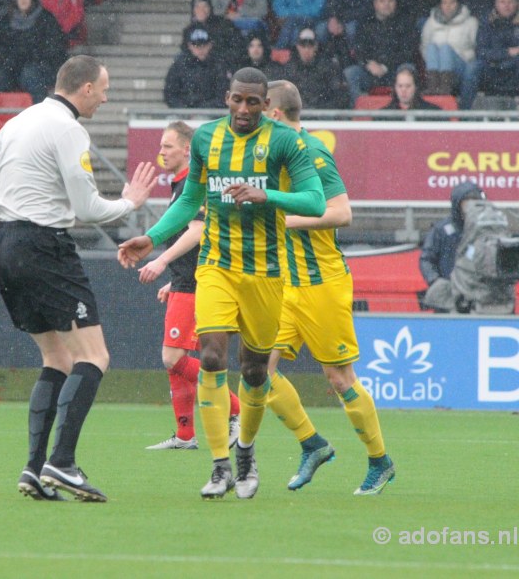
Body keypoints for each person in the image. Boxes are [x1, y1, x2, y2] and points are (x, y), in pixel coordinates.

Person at [118, 67, 326, 500]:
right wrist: (152, 238)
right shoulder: (207, 139)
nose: (244, 109)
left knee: (254, 371)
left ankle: (246, 454)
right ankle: (219, 466)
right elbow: (192, 200)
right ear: (227, 98)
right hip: (215, 265)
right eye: (237, 100)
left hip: (266, 271)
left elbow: (315, 201)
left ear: (266, 104)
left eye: (253, 102)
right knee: (211, 356)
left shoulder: (285, 142)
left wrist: (269, 195)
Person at [0, 55, 156, 502]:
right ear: (85, 88)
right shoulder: (69, 129)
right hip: (44, 246)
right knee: (95, 356)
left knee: (57, 360)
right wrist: (129, 202)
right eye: (104, 89)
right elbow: (88, 209)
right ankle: (63, 462)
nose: (106, 97)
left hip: (7, 246)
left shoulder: (20, 120)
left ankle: (33, 469)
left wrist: (4, 235)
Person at [264, 80, 396, 496]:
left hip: (322, 282)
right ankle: (313, 444)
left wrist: (287, 219)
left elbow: (342, 212)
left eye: (260, 112)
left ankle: (380, 461)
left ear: (276, 115)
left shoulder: (312, 152)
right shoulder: (273, 153)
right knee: (258, 372)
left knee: (339, 378)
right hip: (288, 284)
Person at [137, 121, 241, 451]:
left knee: (173, 357)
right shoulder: (179, 185)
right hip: (185, 281)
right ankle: (184, 434)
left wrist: (161, 260)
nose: (161, 152)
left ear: (186, 150)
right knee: (175, 357)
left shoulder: (193, 186)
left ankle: (236, 411)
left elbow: (198, 230)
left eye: (168, 146)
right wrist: (174, 277)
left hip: (196, 283)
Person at [420, 181, 487, 311]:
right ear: (457, 204)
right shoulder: (442, 230)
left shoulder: (486, 229)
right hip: (449, 297)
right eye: (467, 202)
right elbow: (426, 259)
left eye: (476, 202)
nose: (471, 207)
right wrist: (435, 282)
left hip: (480, 297)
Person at [0, 0, 68, 103]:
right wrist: (9, 61)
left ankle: (39, 111)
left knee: (30, 75)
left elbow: (54, 49)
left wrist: (31, 58)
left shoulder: (46, 19)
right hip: (11, 68)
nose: (23, 0)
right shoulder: (5, 20)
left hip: (40, 67)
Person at [343, 0, 418, 104]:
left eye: (390, 1)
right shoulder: (365, 22)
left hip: (395, 71)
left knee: (408, 69)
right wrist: (367, 64)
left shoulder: (405, 23)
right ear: (375, 4)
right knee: (350, 73)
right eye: (382, 1)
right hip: (371, 72)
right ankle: (360, 112)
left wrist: (385, 66)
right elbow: (359, 50)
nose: (386, 4)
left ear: (396, 3)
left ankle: (404, 111)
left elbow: (408, 52)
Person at [421, 0, 479, 109]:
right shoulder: (431, 22)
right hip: (436, 67)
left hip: (461, 65)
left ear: (458, 4)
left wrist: (458, 56)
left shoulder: (470, 22)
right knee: (432, 47)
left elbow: (475, 48)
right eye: (444, 2)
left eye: (452, 2)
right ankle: (433, 86)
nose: (448, 6)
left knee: (445, 48)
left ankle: (445, 87)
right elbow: (424, 46)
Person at [279, 27, 349, 108]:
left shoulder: (328, 67)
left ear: (316, 46)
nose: (306, 50)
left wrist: (320, 110)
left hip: (323, 116)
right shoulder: (289, 69)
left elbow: (340, 96)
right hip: (298, 116)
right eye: (303, 45)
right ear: (297, 46)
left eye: (310, 46)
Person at [165, 24, 231, 109]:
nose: (200, 49)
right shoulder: (179, 66)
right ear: (189, 46)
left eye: (204, 45)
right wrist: (184, 109)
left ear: (210, 45)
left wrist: (203, 109)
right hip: (182, 113)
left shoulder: (218, 66)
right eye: (196, 46)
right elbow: (170, 94)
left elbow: (222, 95)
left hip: (210, 114)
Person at [181, 0, 247, 69]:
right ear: (193, 10)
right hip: (197, 69)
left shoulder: (223, 24)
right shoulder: (189, 31)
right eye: (197, 6)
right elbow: (186, 53)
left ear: (210, 8)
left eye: (205, 6)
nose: (201, 10)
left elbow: (237, 47)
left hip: (221, 68)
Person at [475, 0, 519, 97]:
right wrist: (507, 52)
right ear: (496, 4)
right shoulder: (487, 22)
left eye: (510, 2)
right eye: (502, 2)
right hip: (492, 66)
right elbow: (481, 51)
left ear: (517, 4)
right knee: (474, 68)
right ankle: (464, 109)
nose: (506, 5)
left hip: (515, 66)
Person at [379, 62, 444, 112]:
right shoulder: (382, 116)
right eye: (400, 86)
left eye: (408, 86)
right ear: (395, 87)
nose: (403, 90)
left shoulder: (433, 113)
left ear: (416, 87)